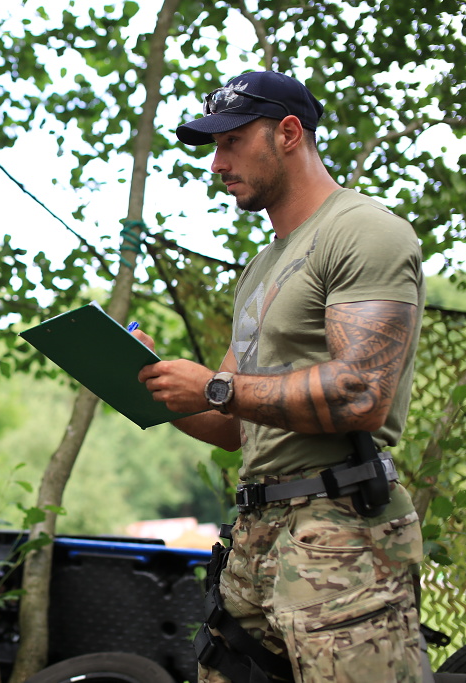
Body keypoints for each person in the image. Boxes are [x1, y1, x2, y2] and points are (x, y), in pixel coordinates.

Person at [134, 71, 426, 682]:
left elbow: (362, 394)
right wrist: (153, 383)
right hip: (255, 539)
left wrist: (214, 385)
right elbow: (231, 426)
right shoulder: (262, 267)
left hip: (341, 533)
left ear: (288, 133)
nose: (217, 164)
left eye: (231, 142)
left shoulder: (363, 231)